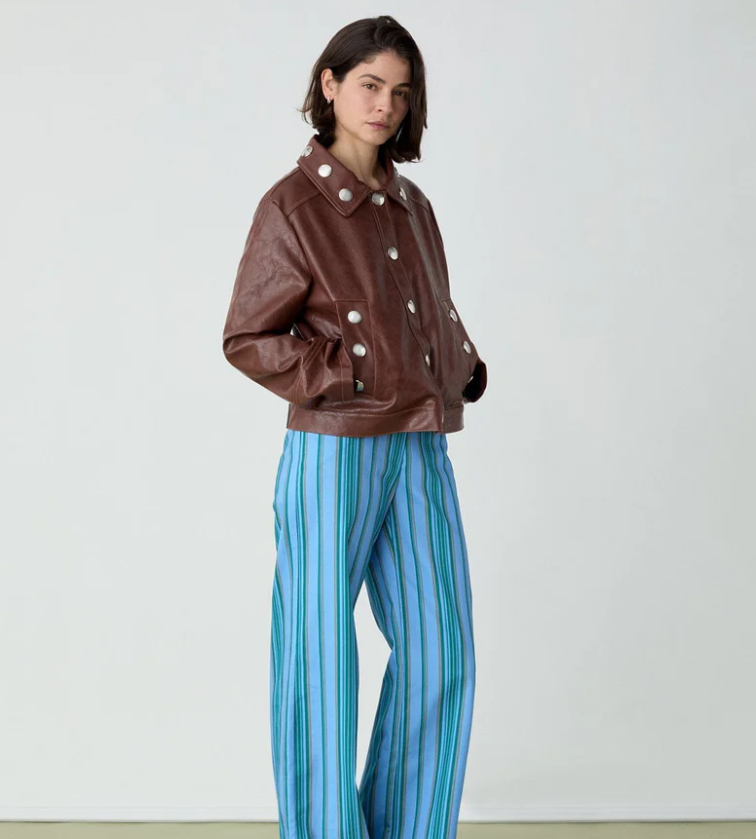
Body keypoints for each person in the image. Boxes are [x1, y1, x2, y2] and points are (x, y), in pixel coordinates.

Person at [222, 14, 488, 838]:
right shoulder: (293, 205)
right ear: (330, 85)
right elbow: (247, 336)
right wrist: (347, 376)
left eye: (400, 93)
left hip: (419, 445)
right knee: (320, 661)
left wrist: (459, 363)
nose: (385, 106)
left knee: (442, 652)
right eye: (369, 85)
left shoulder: (413, 205)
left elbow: (429, 307)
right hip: (333, 451)